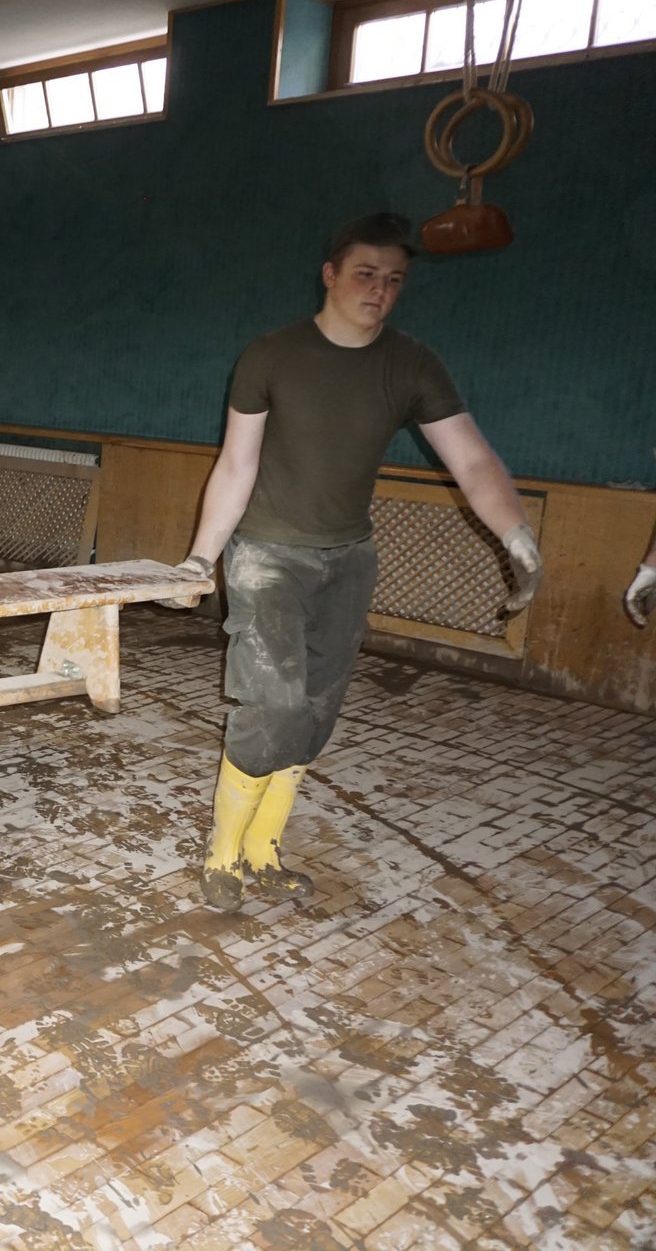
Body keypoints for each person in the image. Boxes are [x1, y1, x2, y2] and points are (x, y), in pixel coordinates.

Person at [165, 212, 542, 913]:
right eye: (366, 274)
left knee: (314, 713)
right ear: (331, 274)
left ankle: (263, 851)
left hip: (349, 561)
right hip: (266, 555)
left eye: (395, 280)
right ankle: (222, 853)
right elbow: (236, 464)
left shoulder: (412, 364)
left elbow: (471, 457)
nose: (380, 290)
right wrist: (199, 559)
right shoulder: (270, 356)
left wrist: (516, 535)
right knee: (271, 703)